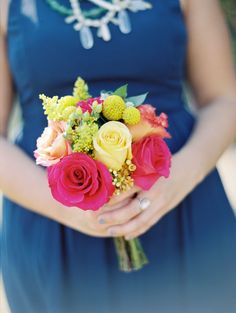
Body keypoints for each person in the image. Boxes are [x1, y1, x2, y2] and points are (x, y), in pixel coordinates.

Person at [1, 0, 236, 312]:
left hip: (184, 211)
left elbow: (224, 99)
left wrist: (178, 178)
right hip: (53, 231)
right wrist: (69, 210)